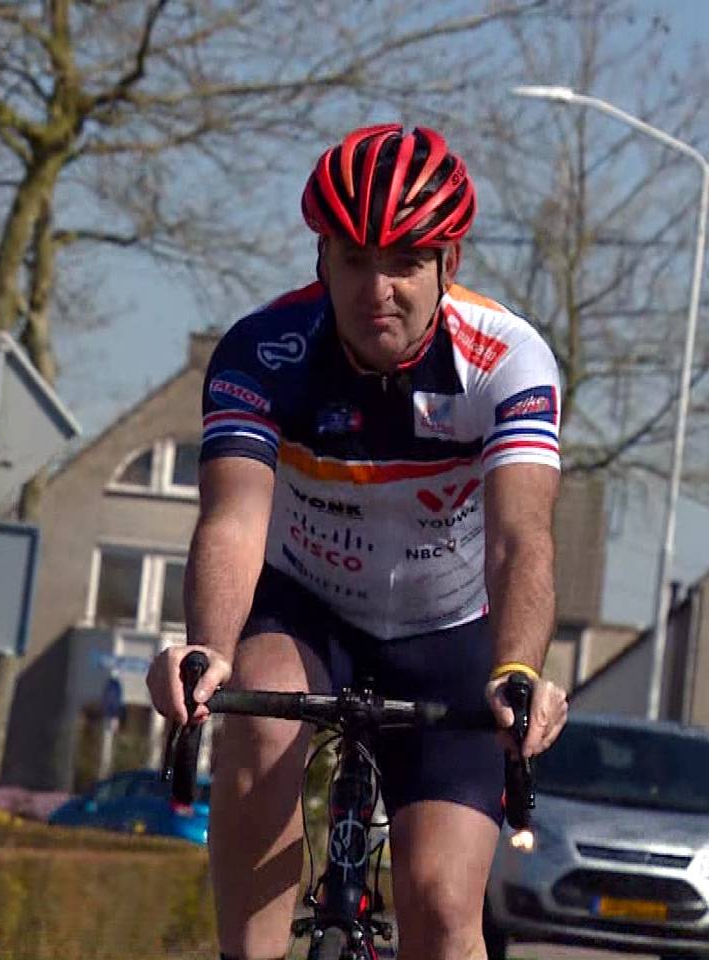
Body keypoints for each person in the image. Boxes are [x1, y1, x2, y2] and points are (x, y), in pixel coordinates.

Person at [147, 123, 570, 960]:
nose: (379, 287)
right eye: (354, 259)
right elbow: (233, 521)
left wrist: (519, 668)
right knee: (258, 720)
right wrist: (207, 651)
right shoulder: (263, 353)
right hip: (307, 611)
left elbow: (521, 538)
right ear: (321, 262)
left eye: (405, 261)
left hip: (448, 630)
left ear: (450, 264)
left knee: (444, 908)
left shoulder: (509, 360)